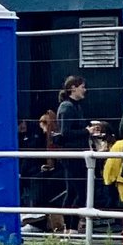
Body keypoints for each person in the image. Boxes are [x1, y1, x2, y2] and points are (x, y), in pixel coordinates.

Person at [53, 75, 91, 228]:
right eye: (82, 87)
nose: (84, 90)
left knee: (75, 191)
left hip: (76, 154)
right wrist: (87, 131)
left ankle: (70, 226)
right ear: (73, 88)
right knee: (78, 191)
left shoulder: (74, 106)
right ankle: (71, 225)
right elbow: (65, 133)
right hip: (72, 155)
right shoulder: (67, 107)